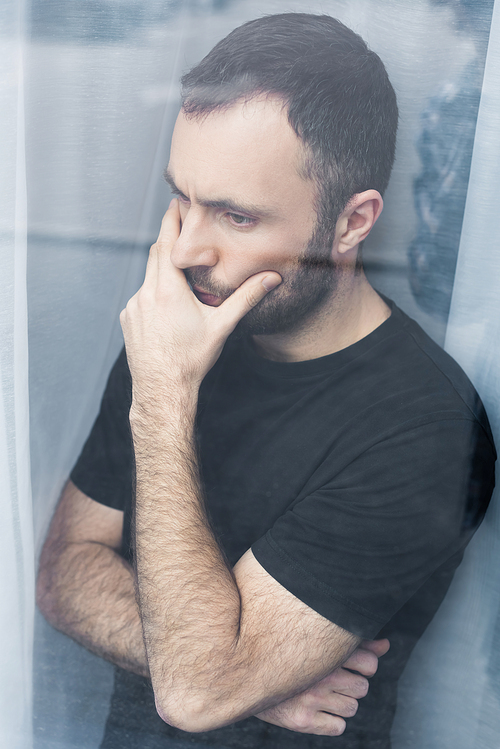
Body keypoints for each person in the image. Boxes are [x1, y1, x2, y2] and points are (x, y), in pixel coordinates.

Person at [36, 13, 496, 749]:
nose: (185, 248)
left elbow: (193, 693)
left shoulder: (425, 428)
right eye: (182, 197)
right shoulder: (178, 331)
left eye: (236, 215)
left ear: (352, 223)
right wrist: (248, 682)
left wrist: (163, 396)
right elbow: (62, 571)